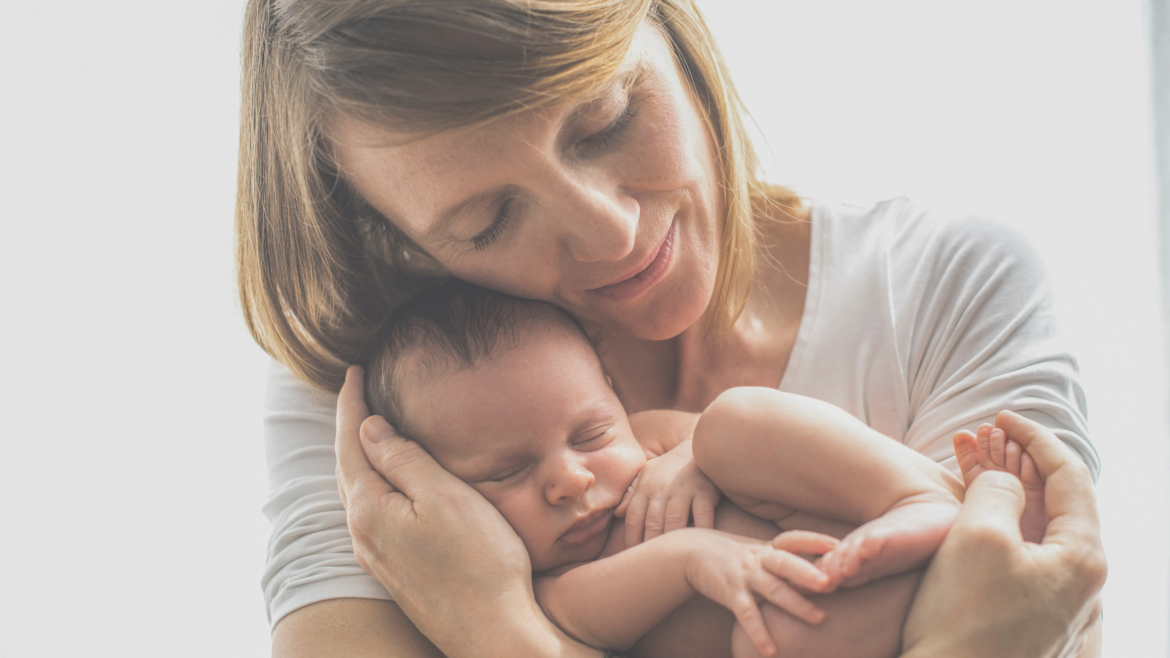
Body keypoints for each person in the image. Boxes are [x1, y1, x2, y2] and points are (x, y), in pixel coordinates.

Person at [236, 1, 1104, 656]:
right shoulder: (387, 398)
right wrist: (500, 623)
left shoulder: (941, 283)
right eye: (487, 221)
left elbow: (1033, 592)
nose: (611, 231)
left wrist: (493, 632)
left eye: (609, 117)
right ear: (395, 237)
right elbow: (989, 625)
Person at [358, 280, 965, 657]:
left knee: (734, 422)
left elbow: (731, 439)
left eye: (591, 433)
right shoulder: (538, 591)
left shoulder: (646, 435)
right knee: (778, 641)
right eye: (507, 472)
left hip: (850, 524)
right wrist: (697, 555)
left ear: (611, 389)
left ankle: (918, 497)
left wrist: (691, 457)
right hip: (833, 614)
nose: (571, 477)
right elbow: (588, 620)